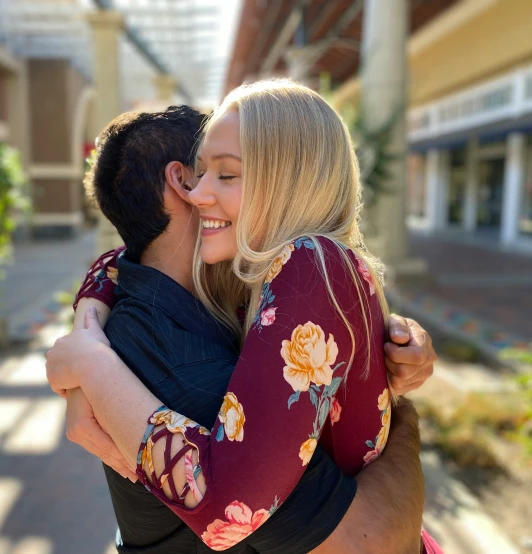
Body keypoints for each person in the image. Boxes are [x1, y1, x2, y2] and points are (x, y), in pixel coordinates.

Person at [49, 90, 438, 552]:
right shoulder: (250, 288)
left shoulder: (306, 264)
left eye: (227, 173)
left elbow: (226, 510)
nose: (200, 192)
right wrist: (91, 310)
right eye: (202, 172)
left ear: (288, 181)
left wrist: (93, 364)